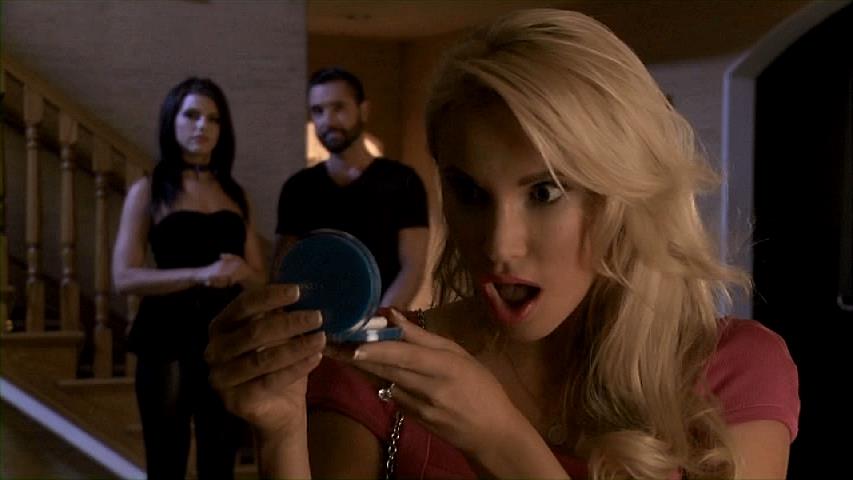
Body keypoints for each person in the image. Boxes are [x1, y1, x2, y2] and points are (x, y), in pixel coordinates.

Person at [205, 9, 799, 479]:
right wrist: (280, 434)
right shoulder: (379, 370)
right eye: (470, 192)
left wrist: (500, 441)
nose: (497, 245)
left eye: (544, 191)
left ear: (623, 192)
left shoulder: (733, 372)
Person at [112, 77, 265, 479]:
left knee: (221, 458)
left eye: (213, 119)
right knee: (166, 458)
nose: (202, 126)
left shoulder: (236, 194)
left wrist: (240, 271)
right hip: (167, 334)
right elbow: (123, 276)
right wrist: (202, 274)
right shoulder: (149, 190)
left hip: (226, 336)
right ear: (172, 121)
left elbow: (258, 279)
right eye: (192, 115)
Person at [272, 67, 429, 309]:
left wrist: (378, 319)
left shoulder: (402, 181)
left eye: (338, 108)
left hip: (382, 322)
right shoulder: (299, 187)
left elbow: (413, 266)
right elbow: (283, 269)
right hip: (312, 322)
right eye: (318, 111)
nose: (328, 121)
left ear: (363, 110)